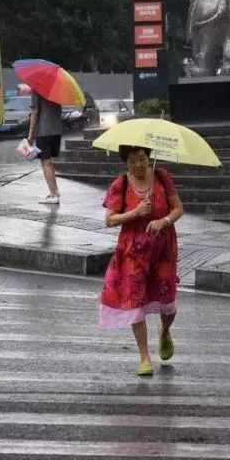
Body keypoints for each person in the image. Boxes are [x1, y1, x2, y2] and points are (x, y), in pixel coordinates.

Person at [98, 146, 185, 376]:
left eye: (142, 159)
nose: (138, 165)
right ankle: (144, 357)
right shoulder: (121, 184)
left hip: (162, 252)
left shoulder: (162, 177)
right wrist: (135, 212)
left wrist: (164, 221)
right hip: (132, 253)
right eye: (132, 161)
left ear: (149, 158)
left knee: (168, 303)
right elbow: (110, 220)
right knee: (135, 303)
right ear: (126, 162)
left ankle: (165, 331)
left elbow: (178, 208)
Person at [27, 91, 63, 204]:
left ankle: (53, 195)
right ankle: (55, 191)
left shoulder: (36, 89)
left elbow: (35, 112)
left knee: (45, 162)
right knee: (49, 162)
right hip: (57, 130)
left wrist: (30, 134)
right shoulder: (57, 88)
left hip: (43, 131)